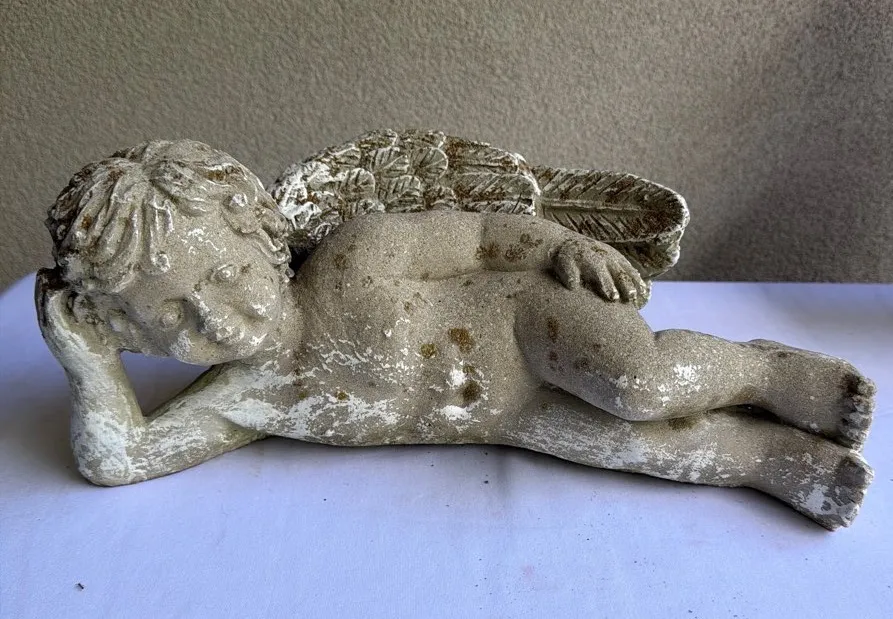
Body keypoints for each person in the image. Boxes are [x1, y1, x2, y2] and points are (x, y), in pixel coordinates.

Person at [37, 140, 874, 530]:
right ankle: (775, 460)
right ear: (131, 332)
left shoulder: (350, 257)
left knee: (641, 386)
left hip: (531, 322)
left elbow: (475, 235)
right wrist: (87, 363)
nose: (219, 320)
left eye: (224, 275)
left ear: (257, 230)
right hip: (507, 417)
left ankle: (765, 372)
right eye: (173, 318)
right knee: (641, 447)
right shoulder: (245, 398)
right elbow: (120, 458)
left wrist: (561, 243)